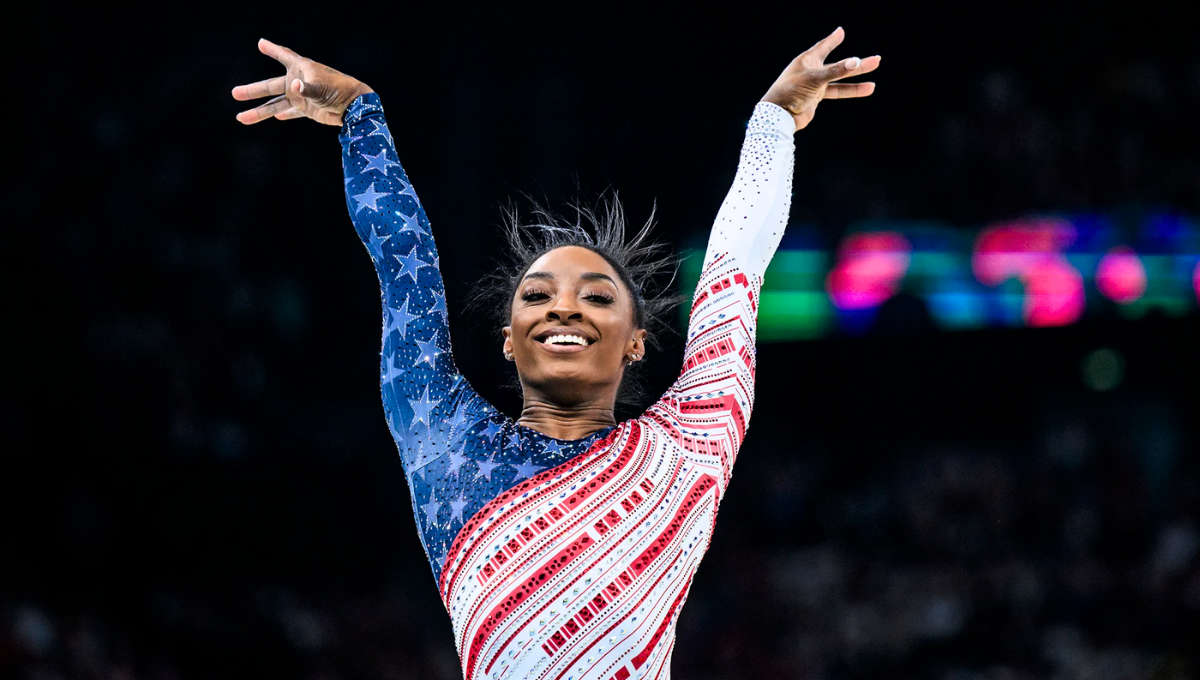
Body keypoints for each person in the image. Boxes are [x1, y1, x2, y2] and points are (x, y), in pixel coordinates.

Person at [232, 30, 879, 679]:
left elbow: (736, 265)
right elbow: (405, 262)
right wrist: (358, 113)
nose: (563, 308)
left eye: (596, 297)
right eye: (537, 296)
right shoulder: (445, 439)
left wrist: (774, 121)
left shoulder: (686, 448)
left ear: (635, 342)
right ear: (508, 339)